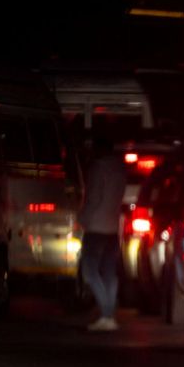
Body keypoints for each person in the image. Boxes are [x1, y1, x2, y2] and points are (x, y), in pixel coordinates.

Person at [77, 135, 127, 332]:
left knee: (89, 271)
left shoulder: (98, 168)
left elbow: (93, 198)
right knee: (108, 273)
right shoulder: (120, 169)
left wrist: (82, 218)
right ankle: (109, 315)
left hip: (96, 227)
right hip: (112, 228)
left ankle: (107, 313)